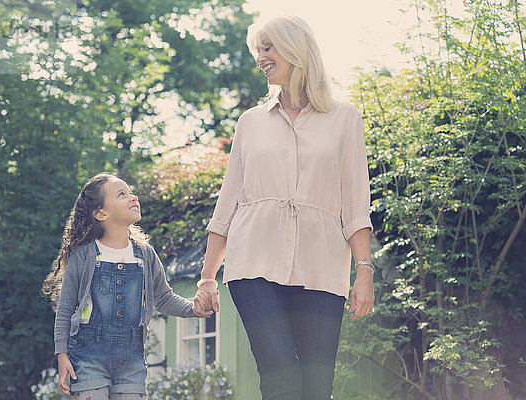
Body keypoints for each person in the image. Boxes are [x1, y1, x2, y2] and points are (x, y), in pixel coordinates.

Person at [194, 15, 375, 400]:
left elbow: (355, 202)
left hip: (323, 267)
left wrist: (364, 272)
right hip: (253, 262)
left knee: (315, 388)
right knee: (282, 382)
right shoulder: (250, 122)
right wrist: (208, 276)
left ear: (296, 48)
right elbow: (227, 204)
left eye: (268, 47)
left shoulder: (345, 117)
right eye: (258, 50)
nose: (260, 57)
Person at [42, 173, 211, 400]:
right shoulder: (84, 254)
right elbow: (65, 310)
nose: (133, 197)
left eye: (131, 192)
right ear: (101, 214)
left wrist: (193, 308)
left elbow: (163, 298)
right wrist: (62, 354)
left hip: (131, 356)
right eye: (122, 194)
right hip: (88, 353)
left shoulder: (145, 254)